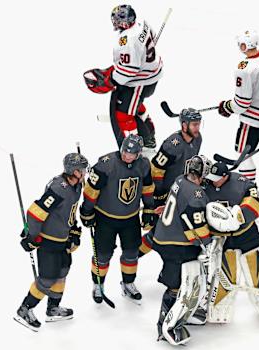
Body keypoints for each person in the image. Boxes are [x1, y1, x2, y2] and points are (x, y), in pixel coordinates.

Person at [14, 153, 89, 331]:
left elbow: (68, 213)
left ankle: (52, 308)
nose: (85, 172)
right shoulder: (59, 188)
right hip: (48, 242)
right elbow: (34, 213)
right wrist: (33, 237)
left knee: (62, 272)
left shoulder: (77, 185)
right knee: (47, 278)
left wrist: (73, 231)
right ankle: (25, 309)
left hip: (62, 240)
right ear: (74, 171)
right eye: (82, 170)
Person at [79, 135, 155, 305]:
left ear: (139, 154)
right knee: (103, 255)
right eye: (125, 152)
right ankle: (98, 285)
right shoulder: (106, 164)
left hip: (130, 218)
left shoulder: (144, 165)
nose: (127, 156)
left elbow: (148, 188)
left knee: (131, 253)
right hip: (105, 219)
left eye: (132, 154)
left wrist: (149, 208)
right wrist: (87, 211)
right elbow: (92, 190)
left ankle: (128, 283)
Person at [204, 162, 259, 323]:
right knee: (225, 273)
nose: (213, 182)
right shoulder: (205, 185)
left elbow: (255, 205)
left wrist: (239, 216)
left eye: (216, 179)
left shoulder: (243, 183)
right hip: (222, 238)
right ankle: (220, 306)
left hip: (247, 234)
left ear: (225, 176)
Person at [83, 4, 162, 157]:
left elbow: (130, 70)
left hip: (141, 81)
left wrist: (111, 80)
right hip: (151, 74)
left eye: (117, 20)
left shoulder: (128, 40)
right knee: (135, 106)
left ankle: (133, 150)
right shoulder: (142, 23)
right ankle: (149, 137)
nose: (115, 23)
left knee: (123, 115)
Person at [152, 155, 213, 345]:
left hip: (165, 236)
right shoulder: (196, 193)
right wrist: (208, 242)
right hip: (175, 244)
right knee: (179, 285)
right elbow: (195, 226)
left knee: (193, 281)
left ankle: (186, 313)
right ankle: (165, 325)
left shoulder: (180, 179)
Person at [217, 30, 259, 182]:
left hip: (252, 121)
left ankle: (248, 187)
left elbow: (242, 104)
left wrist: (227, 106)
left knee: (243, 154)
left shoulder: (244, 69)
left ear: (245, 46)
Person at [137, 108, 202, 257]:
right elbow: (156, 169)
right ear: (184, 125)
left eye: (198, 124)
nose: (197, 128)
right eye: (194, 124)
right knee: (161, 227)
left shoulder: (198, 139)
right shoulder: (173, 144)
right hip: (165, 191)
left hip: (181, 189)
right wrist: (159, 194)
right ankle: (136, 253)